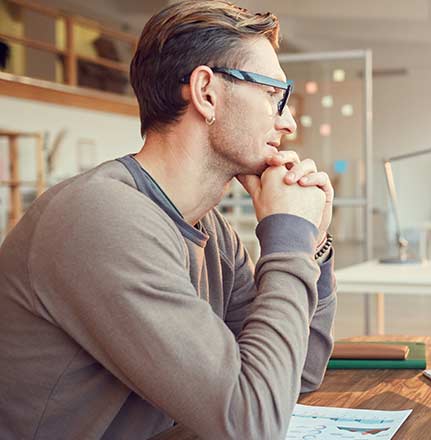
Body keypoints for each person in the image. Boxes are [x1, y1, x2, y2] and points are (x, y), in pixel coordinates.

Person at [0, 1, 337, 438]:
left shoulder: (210, 230)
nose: (288, 122)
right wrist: (287, 236)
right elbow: (252, 424)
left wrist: (314, 245)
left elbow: (298, 373)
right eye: (275, 95)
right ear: (206, 92)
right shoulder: (101, 218)